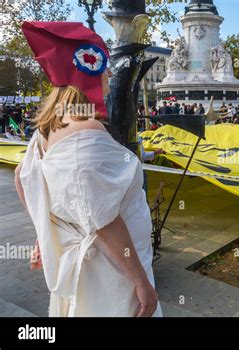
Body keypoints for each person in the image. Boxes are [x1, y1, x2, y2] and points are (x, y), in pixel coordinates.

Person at [15, 21, 161, 317]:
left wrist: (46, 234)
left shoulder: (48, 128)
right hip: (109, 275)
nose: (109, 74)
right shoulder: (87, 130)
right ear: (87, 71)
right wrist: (140, 282)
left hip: (94, 264)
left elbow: (22, 178)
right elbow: (103, 217)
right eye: (104, 66)